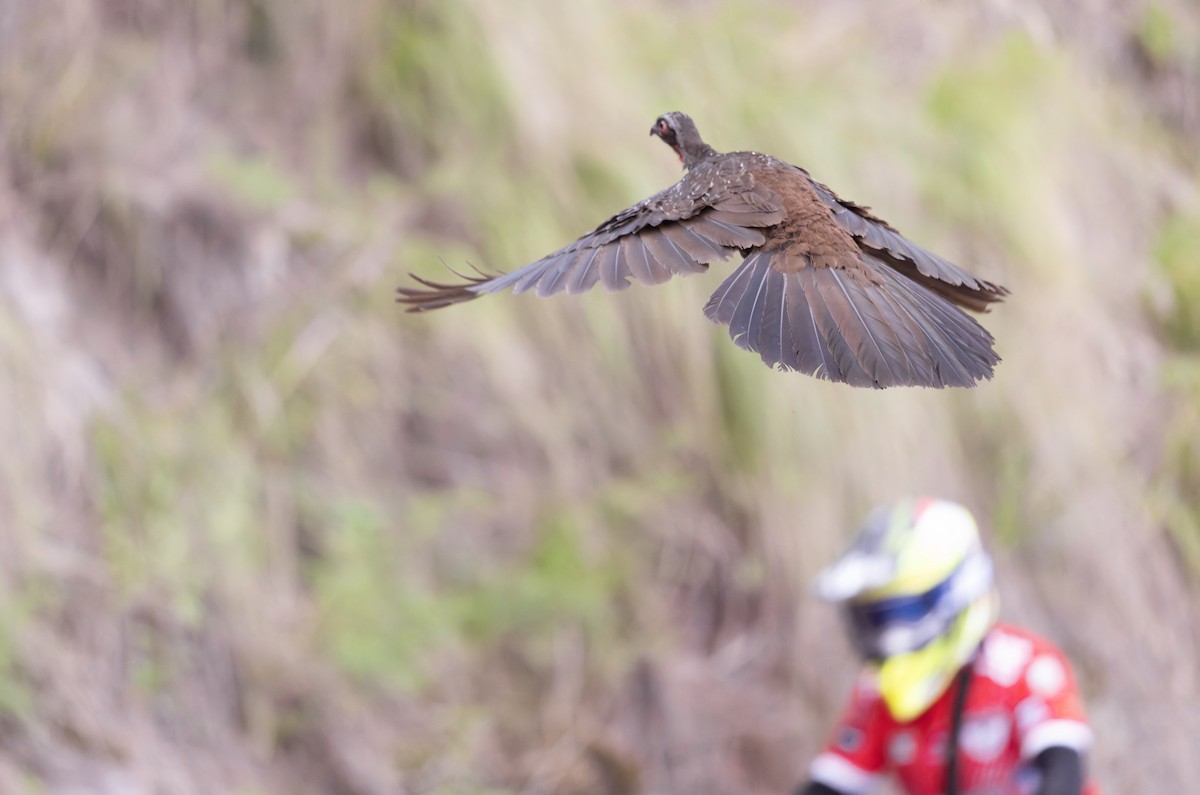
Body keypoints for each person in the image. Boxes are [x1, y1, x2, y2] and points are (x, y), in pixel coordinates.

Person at [795, 498, 1100, 795]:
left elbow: (1064, 776)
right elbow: (830, 784)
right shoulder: (878, 693)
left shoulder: (1024, 667)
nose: (888, 638)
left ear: (954, 595)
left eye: (900, 614)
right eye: (872, 621)